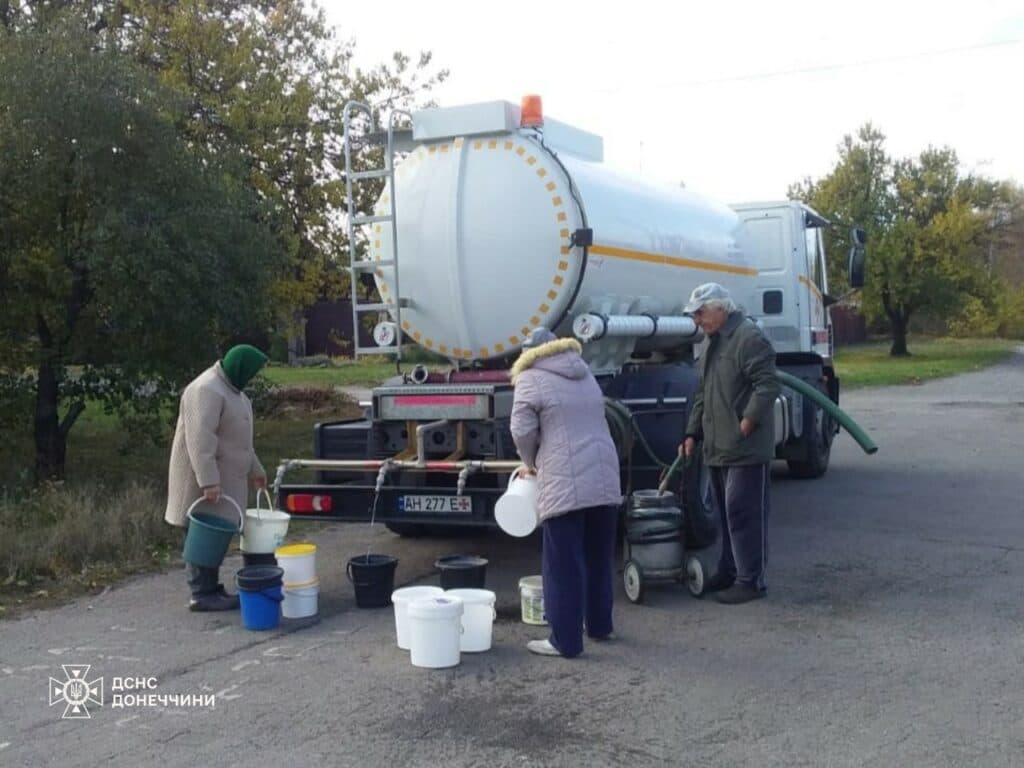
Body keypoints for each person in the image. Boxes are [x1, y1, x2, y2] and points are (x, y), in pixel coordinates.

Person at [510, 327, 623, 657]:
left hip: (563, 476)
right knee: (598, 557)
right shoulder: (584, 372)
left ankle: (565, 642)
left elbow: (521, 429)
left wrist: (531, 462)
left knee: (562, 564)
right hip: (604, 471)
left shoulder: (530, 377)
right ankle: (600, 627)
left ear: (529, 352)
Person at [680, 282, 779, 604]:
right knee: (725, 512)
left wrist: (746, 423)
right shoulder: (711, 342)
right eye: (694, 315)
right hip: (717, 444)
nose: (697, 320)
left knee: (743, 511)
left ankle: (751, 581)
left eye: (701, 313)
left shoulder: (749, 338)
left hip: (744, 445)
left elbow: (767, 385)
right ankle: (729, 570)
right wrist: (692, 432)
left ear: (721, 308)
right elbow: (702, 393)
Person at [165, 344, 269, 611]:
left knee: (216, 534)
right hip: (203, 480)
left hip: (224, 478)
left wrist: (256, 470)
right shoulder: (206, 389)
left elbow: (242, 442)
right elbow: (200, 441)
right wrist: (208, 481)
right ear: (240, 368)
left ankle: (211, 587)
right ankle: (201, 592)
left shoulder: (235, 393)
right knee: (202, 534)